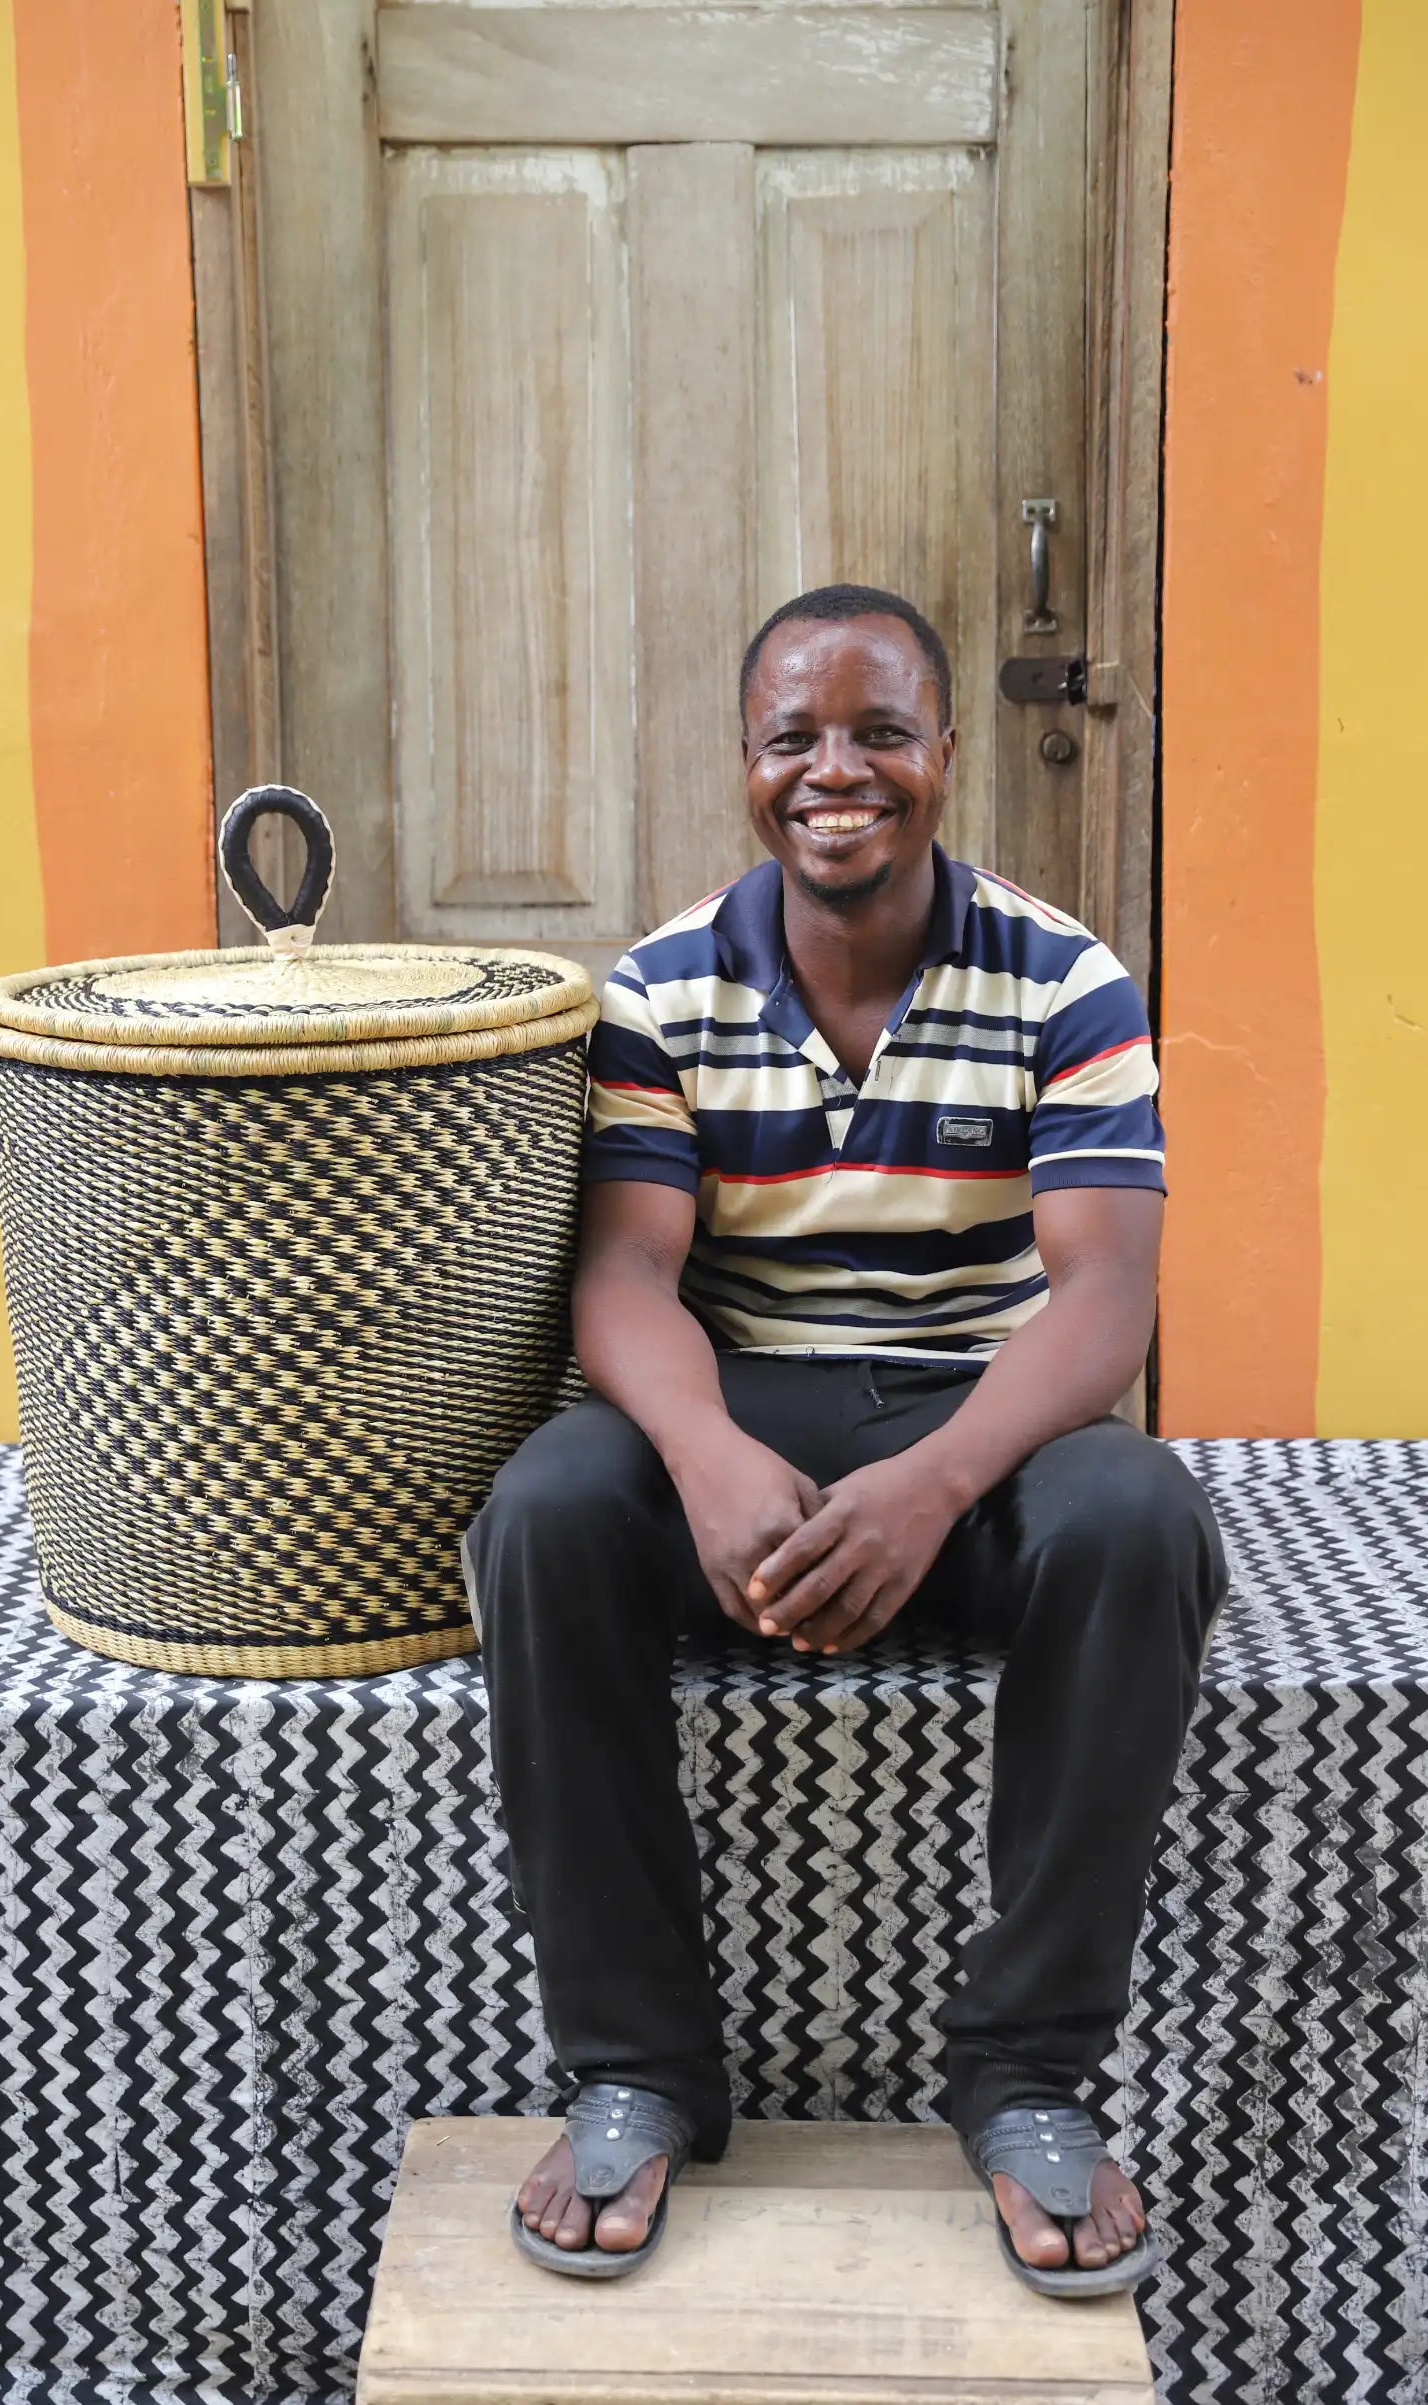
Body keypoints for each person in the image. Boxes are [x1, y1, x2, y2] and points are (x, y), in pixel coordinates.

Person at [464, 583, 1226, 2298]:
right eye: (795, 736)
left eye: (881, 730)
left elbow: (1105, 1303)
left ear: (946, 756)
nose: (839, 770)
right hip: (750, 1420)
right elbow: (627, 1273)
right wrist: (712, 1458)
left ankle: (1027, 2076)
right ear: (747, 766)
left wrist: (937, 1478)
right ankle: (638, 2068)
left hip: (980, 1426)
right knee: (548, 1508)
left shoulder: (1067, 978)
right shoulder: (660, 990)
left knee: (1141, 1522)